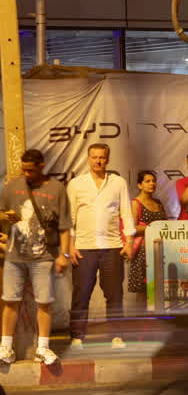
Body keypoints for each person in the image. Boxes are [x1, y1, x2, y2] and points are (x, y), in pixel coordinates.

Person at [0, 148, 71, 366]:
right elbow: (1, 212)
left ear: (41, 166)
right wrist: (6, 218)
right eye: (24, 170)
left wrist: (64, 255)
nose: (26, 174)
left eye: (30, 170)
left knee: (44, 303)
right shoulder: (12, 187)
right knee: (10, 301)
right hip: (14, 256)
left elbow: (65, 226)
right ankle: (5, 347)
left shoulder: (57, 189)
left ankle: (43, 347)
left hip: (44, 257)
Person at [67, 143, 136, 349]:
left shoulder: (118, 183)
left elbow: (126, 212)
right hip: (83, 247)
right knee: (81, 294)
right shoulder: (76, 184)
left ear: (108, 159)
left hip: (112, 246)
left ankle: (117, 335)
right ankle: (77, 336)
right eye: (94, 157)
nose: (98, 161)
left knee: (114, 294)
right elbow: (69, 217)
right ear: (88, 159)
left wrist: (129, 241)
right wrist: (70, 246)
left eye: (102, 157)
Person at [127, 170, 167, 309]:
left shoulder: (158, 202)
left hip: (160, 249)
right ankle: (140, 321)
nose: (152, 184)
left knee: (158, 286)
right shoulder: (135, 203)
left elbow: (165, 224)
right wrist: (152, 227)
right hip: (143, 251)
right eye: (147, 181)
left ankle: (157, 318)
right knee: (143, 288)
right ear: (139, 185)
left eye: (153, 181)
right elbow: (132, 228)